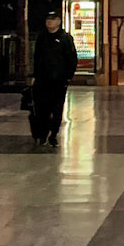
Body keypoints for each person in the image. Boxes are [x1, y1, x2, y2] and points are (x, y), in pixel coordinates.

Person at [30, 9, 79, 149]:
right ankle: (42, 134)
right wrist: (35, 75)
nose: (49, 22)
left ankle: (53, 135)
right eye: (47, 20)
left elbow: (72, 58)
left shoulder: (65, 38)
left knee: (56, 108)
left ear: (59, 21)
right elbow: (37, 58)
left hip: (59, 81)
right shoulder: (42, 38)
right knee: (42, 108)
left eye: (52, 19)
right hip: (42, 80)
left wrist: (68, 77)